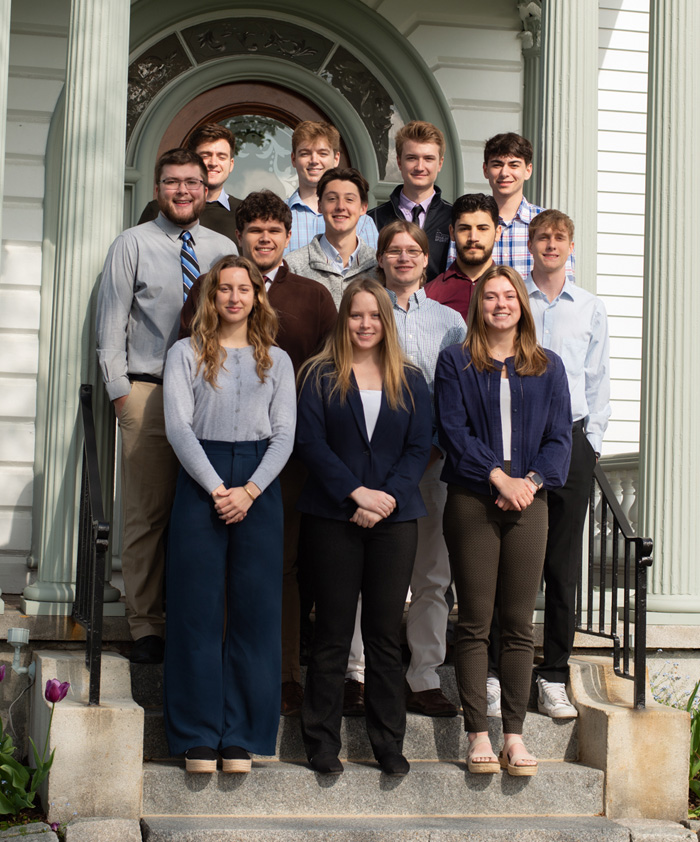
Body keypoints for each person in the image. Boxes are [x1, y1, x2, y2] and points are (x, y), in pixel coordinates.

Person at [179, 190, 337, 716]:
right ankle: (213, 681)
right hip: (212, 457)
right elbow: (191, 373)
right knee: (208, 576)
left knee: (277, 571)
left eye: (274, 231)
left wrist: (259, 479)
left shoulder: (313, 296)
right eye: (254, 230)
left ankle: (285, 675)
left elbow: (328, 372)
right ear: (239, 237)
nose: (264, 238)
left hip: (282, 456)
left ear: (288, 238)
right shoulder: (209, 289)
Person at [96, 148, 237, 664]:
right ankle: (146, 625)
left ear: (206, 189)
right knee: (148, 515)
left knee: (205, 512)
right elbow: (110, 322)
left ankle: (196, 619)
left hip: (212, 391)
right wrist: (120, 392)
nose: (183, 191)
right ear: (157, 189)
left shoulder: (223, 246)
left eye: (192, 183)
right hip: (149, 391)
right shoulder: (132, 244)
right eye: (173, 182)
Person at [435, 264, 572, 776]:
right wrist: (499, 478)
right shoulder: (456, 363)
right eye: (490, 296)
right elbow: (453, 431)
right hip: (474, 500)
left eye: (508, 296)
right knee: (474, 621)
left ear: (521, 304)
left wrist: (530, 483)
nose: (499, 304)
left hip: (529, 504)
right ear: (478, 306)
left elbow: (560, 438)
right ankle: (477, 733)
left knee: (518, 625)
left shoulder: (548, 366)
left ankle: (513, 734)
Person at [162, 255, 296, 774]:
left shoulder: (277, 360)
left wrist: (251, 489)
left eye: (245, 289)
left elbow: (284, 433)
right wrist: (220, 488)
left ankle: (242, 735)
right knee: (196, 610)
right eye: (224, 289)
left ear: (257, 297)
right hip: (203, 479)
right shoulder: (185, 353)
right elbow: (178, 427)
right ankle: (197, 734)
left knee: (256, 614)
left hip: (259, 485)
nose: (235, 297)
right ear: (210, 297)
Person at [295, 277, 432, 777]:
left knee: (382, 635)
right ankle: (321, 742)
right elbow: (309, 443)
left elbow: (420, 446)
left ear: (386, 321)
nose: (366, 324)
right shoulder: (317, 375)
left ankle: (387, 743)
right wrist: (356, 493)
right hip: (334, 517)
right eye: (356, 315)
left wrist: (385, 498)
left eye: (374, 315)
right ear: (343, 318)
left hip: (396, 521)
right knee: (330, 633)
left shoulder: (411, 379)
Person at [344, 220, 466, 718]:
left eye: (412, 250)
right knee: (360, 571)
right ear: (382, 258)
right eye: (393, 251)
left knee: (432, 574)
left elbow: (455, 396)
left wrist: (435, 447)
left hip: (432, 462)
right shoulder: (362, 312)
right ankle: (356, 673)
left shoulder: (448, 322)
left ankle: (423, 676)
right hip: (370, 463)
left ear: (424, 258)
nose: (403, 258)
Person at [526, 210, 610, 717]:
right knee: (515, 556)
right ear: (530, 244)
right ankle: (498, 667)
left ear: (571, 246)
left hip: (574, 439)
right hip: (523, 440)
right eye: (542, 237)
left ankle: (554, 671)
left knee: (562, 561)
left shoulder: (590, 307)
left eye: (559, 238)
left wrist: (593, 442)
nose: (550, 245)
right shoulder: (516, 297)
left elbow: (598, 378)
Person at [483, 132, 574, 280]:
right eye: (497, 164)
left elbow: (563, 287)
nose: (504, 173)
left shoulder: (551, 225)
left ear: (528, 170)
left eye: (514, 165)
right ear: (485, 170)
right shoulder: (471, 224)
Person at [368, 121, 452, 282]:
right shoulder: (372, 220)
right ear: (399, 162)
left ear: (440, 164)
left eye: (428, 158)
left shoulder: (454, 219)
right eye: (412, 158)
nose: (420, 167)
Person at [286, 167, 378, 307]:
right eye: (332, 199)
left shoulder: (379, 266)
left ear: (363, 208)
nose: (340, 206)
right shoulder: (293, 267)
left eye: (349, 199)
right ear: (320, 206)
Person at [285, 120, 378, 252]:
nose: (314, 161)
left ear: (336, 158)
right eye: (305, 153)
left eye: (322, 153)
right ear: (294, 159)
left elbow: (372, 270)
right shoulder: (278, 216)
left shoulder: (362, 221)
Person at [138, 124, 242, 240]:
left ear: (231, 164)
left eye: (221, 157)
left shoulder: (244, 213)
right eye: (205, 155)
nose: (213, 163)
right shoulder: (158, 209)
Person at [425, 193, 501, 320]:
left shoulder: (513, 293)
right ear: (452, 232)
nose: (473, 238)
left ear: (497, 233)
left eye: (482, 229)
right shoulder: (430, 295)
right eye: (464, 229)